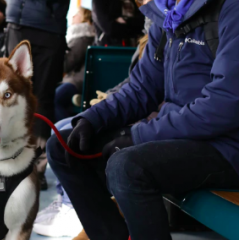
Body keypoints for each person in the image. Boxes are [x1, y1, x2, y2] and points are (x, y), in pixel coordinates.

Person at [47, 0, 239, 239]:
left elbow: (224, 105)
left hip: (227, 145)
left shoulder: (230, 8)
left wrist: (138, 135)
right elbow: (142, 88)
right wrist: (92, 118)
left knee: (126, 167)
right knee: (62, 147)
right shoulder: (168, 17)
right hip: (184, 135)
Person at [33, 7, 154, 238]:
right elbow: (135, 85)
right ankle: (68, 200)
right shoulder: (150, 42)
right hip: (137, 112)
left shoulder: (169, 39)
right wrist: (100, 107)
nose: (145, 7)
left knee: (87, 143)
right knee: (61, 135)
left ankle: (73, 206)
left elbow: (155, 94)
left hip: (152, 121)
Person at [5, 0, 69, 189]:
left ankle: (37, 169)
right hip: (19, 23)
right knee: (14, 96)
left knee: (42, 99)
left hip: (50, 29)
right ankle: (10, 163)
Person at [55, 7, 95, 122]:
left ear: (85, 19)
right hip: (74, 80)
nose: (73, 16)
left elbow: (66, 64)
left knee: (55, 99)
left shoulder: (83, 38)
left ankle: (66, 133)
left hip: (76, 82)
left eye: (77, 14)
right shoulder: (82, 37)